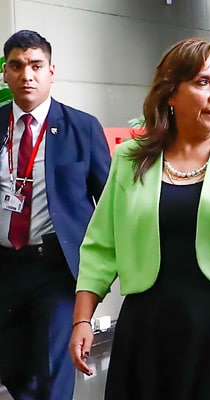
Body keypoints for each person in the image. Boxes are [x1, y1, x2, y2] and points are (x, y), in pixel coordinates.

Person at [69, 38, 210, 399]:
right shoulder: (131, 158)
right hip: (150, 328)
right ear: (170, 94)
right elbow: (101, 245)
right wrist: (83, 319)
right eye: (202, 82)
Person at [0, 30, 111, 400]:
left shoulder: (82, 128)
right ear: (5, 73)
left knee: (51, 372)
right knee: (12, 367)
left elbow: (108, 203)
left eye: (36, 66)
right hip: (5, 266)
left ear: (51, 72)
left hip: (56, 268)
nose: (26, 75)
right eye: (17, 66)